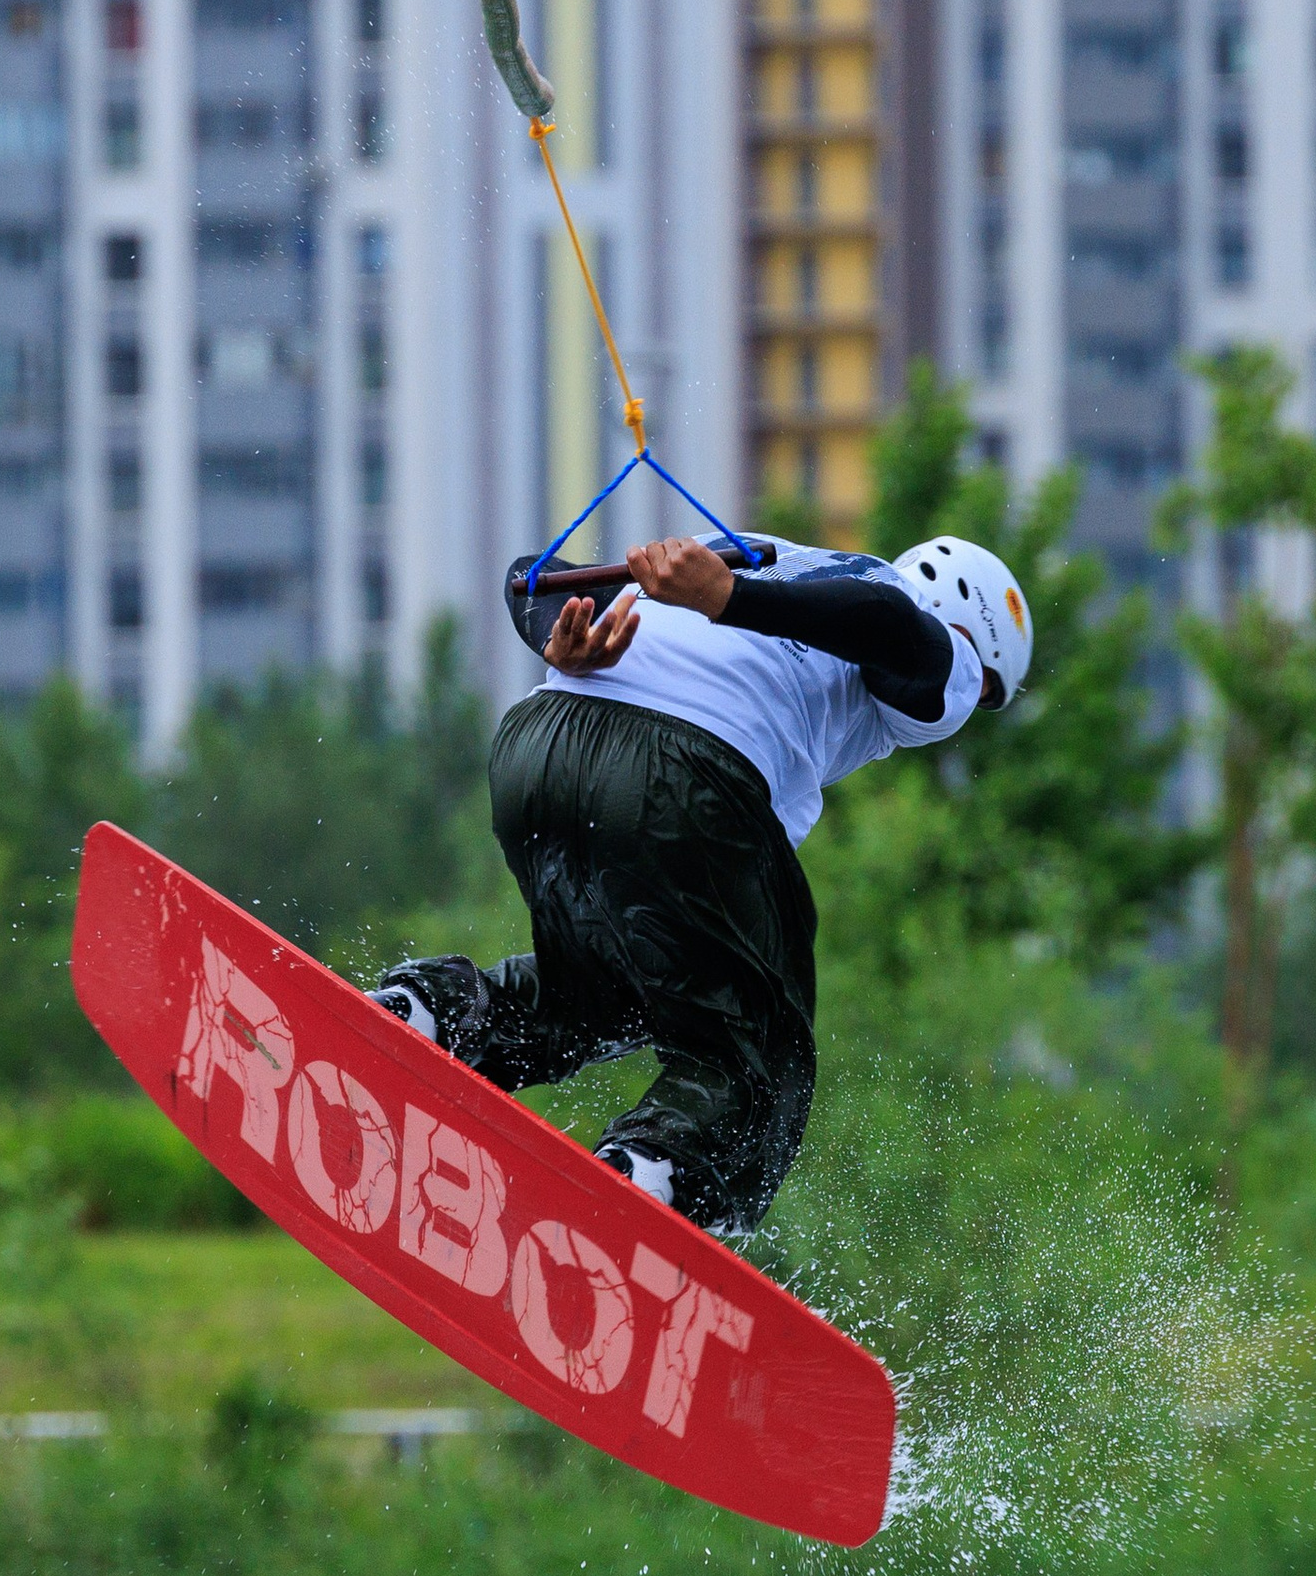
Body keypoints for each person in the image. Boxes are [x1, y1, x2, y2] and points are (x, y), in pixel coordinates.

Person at [370, 526, 1032, 1235]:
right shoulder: (896, 612)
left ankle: (432, 1012)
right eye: (985, 686)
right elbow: (900, 629)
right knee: (761, 1047)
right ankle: (658, 1175)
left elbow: (530, 574)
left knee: (606, 992)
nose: (961, 708)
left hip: (539, 750)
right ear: (967, 631)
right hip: (683, 775)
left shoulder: (767, 553)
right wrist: (727, 597)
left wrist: (558, 637)